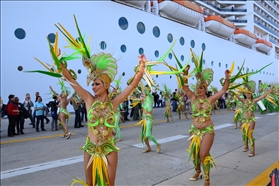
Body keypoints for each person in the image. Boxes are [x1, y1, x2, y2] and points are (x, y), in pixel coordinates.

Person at [55, 18, 146, 185]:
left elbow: (132, 85)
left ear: (106, 84)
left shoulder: (115, 102)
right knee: (90, 184)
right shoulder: (89, 99)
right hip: (90, 148)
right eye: (93, 84)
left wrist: (141, 69)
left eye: (97, 84)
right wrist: (59, 62)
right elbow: (71, 81)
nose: (93, 87)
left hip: (109, 148)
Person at [183, 61, 230, 186]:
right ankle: (198, 171)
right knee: (195, 154)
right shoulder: (192, 98)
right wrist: (185, 73)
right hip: (194, 130)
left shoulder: (211, 99)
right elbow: (185, 87)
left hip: (207, 129)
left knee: (203, 154)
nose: (199, 90)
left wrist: (227, 78)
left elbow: (224, 89)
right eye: (197, 88)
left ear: (205, 89)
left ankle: (207, 179)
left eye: (201, 88)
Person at [234, 81, 274, 157]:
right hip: (244, 120)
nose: (247, 95)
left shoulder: (254, 101)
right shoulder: (244, 101)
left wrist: (270, 90)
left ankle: (253, 150)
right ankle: (246, 146)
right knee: (244, 134)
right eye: (246, 93)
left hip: (251, 120)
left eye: (249, 93)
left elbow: (263, 96)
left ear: (251, 93)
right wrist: (233, 90)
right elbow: (237, 96)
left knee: (250, 134)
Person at [137, 85, 161, 153]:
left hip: (149, 118)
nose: (144, 92)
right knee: (144, 135)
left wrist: (144, 90)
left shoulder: (151, 97)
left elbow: (147, 92)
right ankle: (148, 147)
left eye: (145, 90)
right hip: (144, 118)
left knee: (148, 134)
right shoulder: (144, 99)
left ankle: (158, 144)